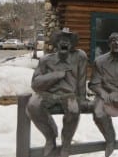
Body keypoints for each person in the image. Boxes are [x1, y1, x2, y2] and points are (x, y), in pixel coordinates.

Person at [26, 28, 88, 157]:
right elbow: (35, 84)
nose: (64, 42)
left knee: (73, 110)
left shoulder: (79, 57)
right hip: (47, 94)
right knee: (33, 105)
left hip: (68, 94)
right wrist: (55, 75)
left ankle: (66, 142)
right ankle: (50, 136)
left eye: (68, 40)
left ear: (72, 44)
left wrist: (82, 98)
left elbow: (82, 79)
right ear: (56, 43)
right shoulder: (46, 60)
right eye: (61, 40)